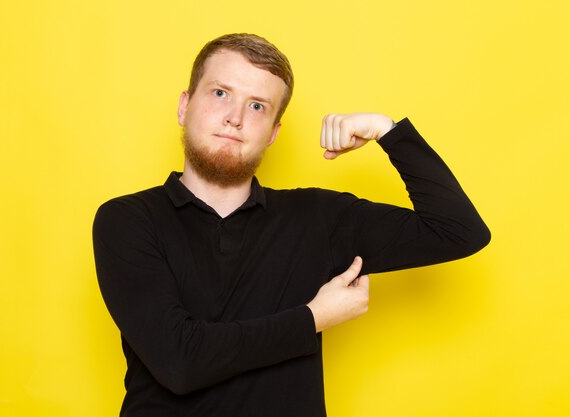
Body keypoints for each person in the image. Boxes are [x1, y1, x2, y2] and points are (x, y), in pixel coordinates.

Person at [92, 33, 490, 417]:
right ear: (184, 106)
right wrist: (314, 317)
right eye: (220, 93)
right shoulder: (127, 220)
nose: (234, 118)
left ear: (273, 135)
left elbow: (457, 231)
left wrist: (388, 131)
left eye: (257, 106)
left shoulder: (317, 216)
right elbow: (180, 362)